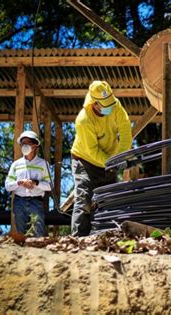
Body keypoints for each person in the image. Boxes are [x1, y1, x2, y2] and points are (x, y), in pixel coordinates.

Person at [70, 81, 132, 236]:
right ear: (94, 104)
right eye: (105, 105)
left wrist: (120, 156)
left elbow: (125, 131)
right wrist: (110, 163)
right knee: (84, 200)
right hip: (85, 160)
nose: (110, 107)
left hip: (109, 160)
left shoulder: (115, 106)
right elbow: (92, 151)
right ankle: (79, 239)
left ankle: (107, 235)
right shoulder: (84, 120)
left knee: (110, 199)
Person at [5, 130, 51, 237]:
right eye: (22, 144)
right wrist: (19, 182)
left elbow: (49, 186)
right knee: (21, 234)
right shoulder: (16, 164)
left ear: (35, 145)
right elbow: (8, 185)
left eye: (27, 143)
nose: (24, 146)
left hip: (37, 202)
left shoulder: (43, 164)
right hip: (19, 202)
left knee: (38, 233)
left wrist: (35, 183)